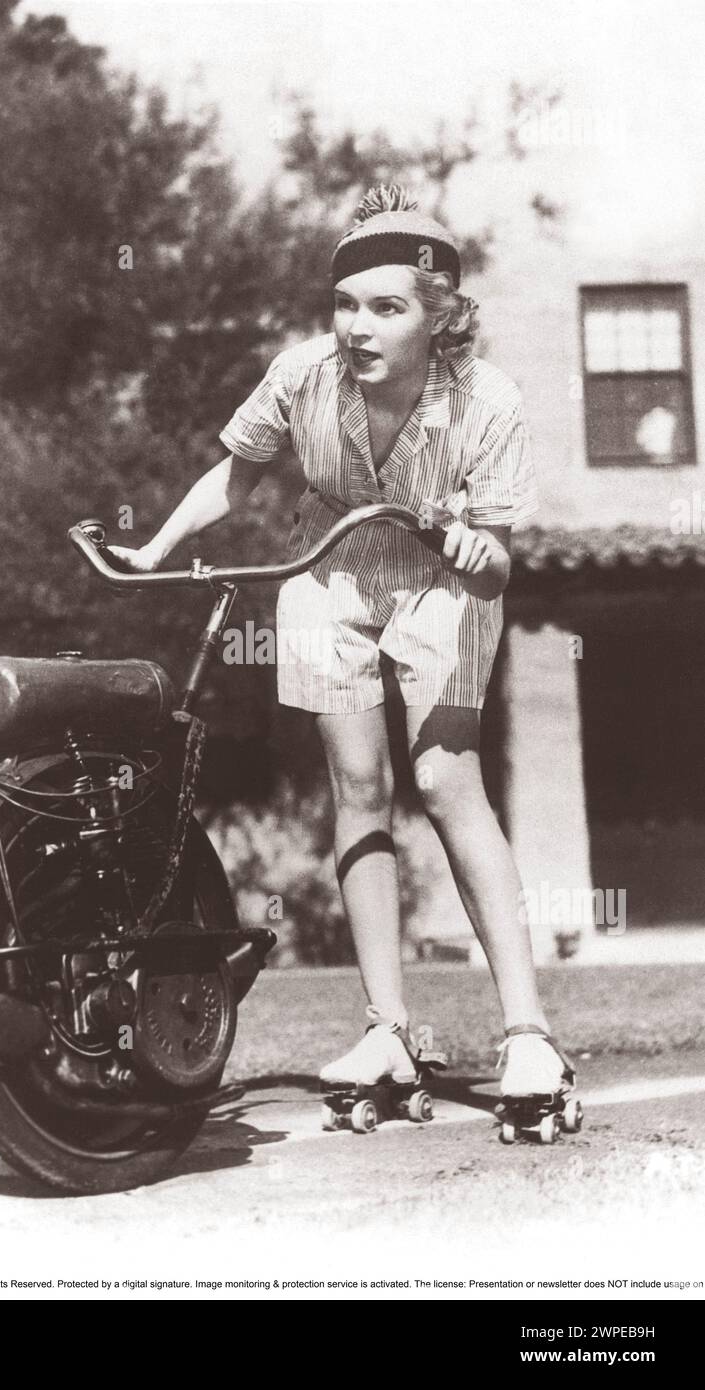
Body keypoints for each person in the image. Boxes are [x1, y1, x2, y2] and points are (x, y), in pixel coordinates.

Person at [109, 184, 569, 1099]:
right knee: (358, 788)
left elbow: (496, 573)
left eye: (385, 308)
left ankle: (528, 1035)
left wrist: (477, 548)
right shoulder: (301, 375)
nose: (357, 327)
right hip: (326, 569)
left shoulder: (491, 404)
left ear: (438, 319)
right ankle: (387, 1032)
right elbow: (234, 478)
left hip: (443, 581)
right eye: (345, 305)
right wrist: (157, 544)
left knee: (443, 781)